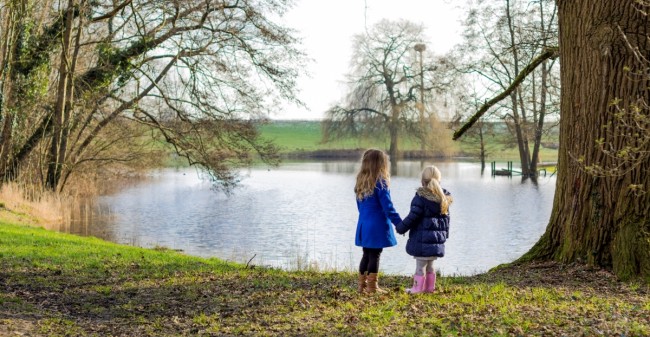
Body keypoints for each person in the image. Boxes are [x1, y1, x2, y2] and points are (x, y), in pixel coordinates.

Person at [395, 165, 452, 294]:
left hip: (422, 241)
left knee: (420, 266)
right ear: (439, 181)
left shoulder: (420, 199)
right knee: (431, 266)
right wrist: (444, 237)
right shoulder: (443, 199)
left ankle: (416, 289)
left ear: (422, 181)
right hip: (436, 242)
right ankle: (429, 288)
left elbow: (412, 217)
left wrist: (400, 228)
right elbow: (446, 221)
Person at [354, 149, 402, 294]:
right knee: (375, 254)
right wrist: (399, 223)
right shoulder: (380, 182)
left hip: (364, 224)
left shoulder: (360, 182)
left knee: (366, 254)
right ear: (380, 164)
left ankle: (362, 286)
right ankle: (372, 288)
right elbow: (388, 207)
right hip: (376, 225)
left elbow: (359, 207)